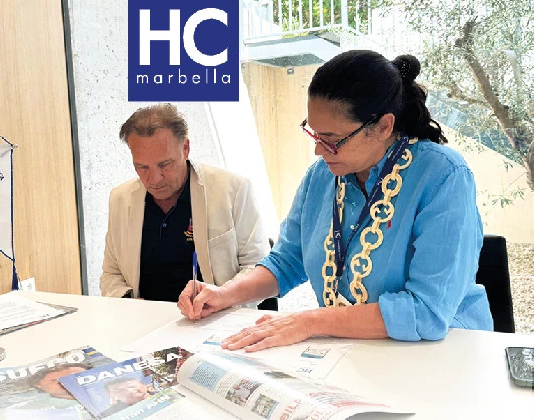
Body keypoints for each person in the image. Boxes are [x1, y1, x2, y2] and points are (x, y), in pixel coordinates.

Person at [178, 50, 493, 349]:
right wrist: (225, 294)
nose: (318, 150)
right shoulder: (323, 176)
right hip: (352, 352)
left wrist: (309, 322)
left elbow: (426, 312)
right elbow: (287, 260)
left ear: (384, 126)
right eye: (314, 134)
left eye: (332, 140)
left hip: (443, 354)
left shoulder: (443, 175)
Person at [100, 104, 269, 301]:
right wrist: (129, 304)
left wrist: (221, 297)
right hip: (144, 315)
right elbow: (111, 274)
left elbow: (257, 267)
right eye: (142, 167)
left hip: (216, 314)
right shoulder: (120, 198)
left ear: (186, 148)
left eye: (165, 164)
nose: (154, 179)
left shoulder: (233, 189)